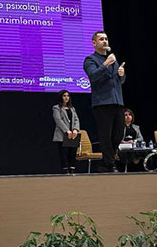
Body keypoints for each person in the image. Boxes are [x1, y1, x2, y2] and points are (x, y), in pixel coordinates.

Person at [83, 31, 125, 172]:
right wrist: (106, 64)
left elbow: (118, 81)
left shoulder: (113, 59)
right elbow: (93, 76)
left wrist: (121, 75)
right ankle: (110, 164)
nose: (105, 41)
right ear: (94, 43)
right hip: (102, 103)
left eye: (106, 39)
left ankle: (106, 163)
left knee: (118, 135)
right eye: (101, 39)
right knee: (105, 136)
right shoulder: (90, 60)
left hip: (117, 101)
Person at [51, 90, 80, 174]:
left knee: (72, 152)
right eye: (64, 96)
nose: (66, 97)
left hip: (73, 134)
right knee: (63, 153)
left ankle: (72, 169)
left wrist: (75, 129)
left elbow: (76, 119)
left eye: (68, 96)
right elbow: (58, 120)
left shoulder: (72, 108)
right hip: (62, 134)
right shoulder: (56, 108)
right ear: (61, 97)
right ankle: (65, 170)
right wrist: (67, 131)